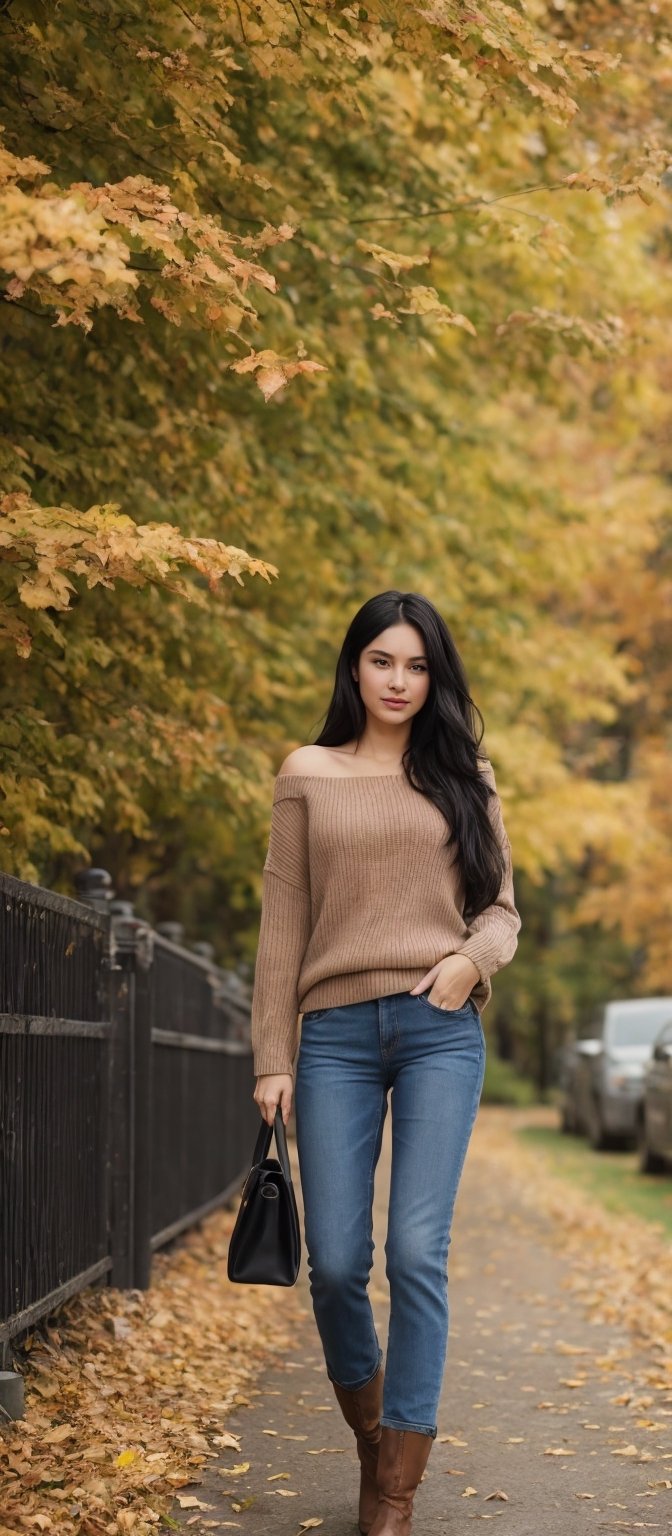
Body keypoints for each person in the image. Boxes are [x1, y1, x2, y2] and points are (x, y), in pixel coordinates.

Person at [251, 590, 521, 1536]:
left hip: (438, 1025)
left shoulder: (465, 775)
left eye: (415, 665)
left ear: (433, 675)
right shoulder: (308, 773)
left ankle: (396, 1491)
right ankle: (372, 1435)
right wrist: (271, 1055)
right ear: (353, 668)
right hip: (331, 1033)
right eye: (381, 661)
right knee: (333, 1264)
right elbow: (283, 920)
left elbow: (500, 912)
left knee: (415, 1251)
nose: (399, 681)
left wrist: (466, 963)